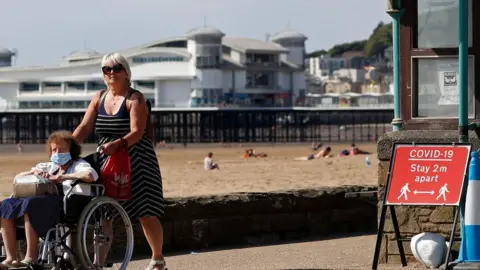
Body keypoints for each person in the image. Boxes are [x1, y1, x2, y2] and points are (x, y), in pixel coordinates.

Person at [72, 52, 166, 270]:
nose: (111, 73)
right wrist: (68, 146)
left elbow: (137, 131)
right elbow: (85, 127)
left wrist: (118, 144)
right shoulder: (99, 98)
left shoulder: (135, 98)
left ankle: (158, 259)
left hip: (138, 163)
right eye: (107, 69)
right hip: (108, 164)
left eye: (116, 69)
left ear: (126, 72)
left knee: (146, 213)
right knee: (105, 213)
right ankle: (99, 263)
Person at [0, 131, 98, 269]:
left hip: (68, 202)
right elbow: (18, 177)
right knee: (6, 205)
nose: (57, 153)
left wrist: (62, 178)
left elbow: (90, 175)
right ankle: (11, 258)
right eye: (54, 150)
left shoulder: (79, 164)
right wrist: (33, 172)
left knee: (31, 204)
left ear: (71, 150)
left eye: (61, 149)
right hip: (46, 200)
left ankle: (31, 257)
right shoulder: (50, 166)